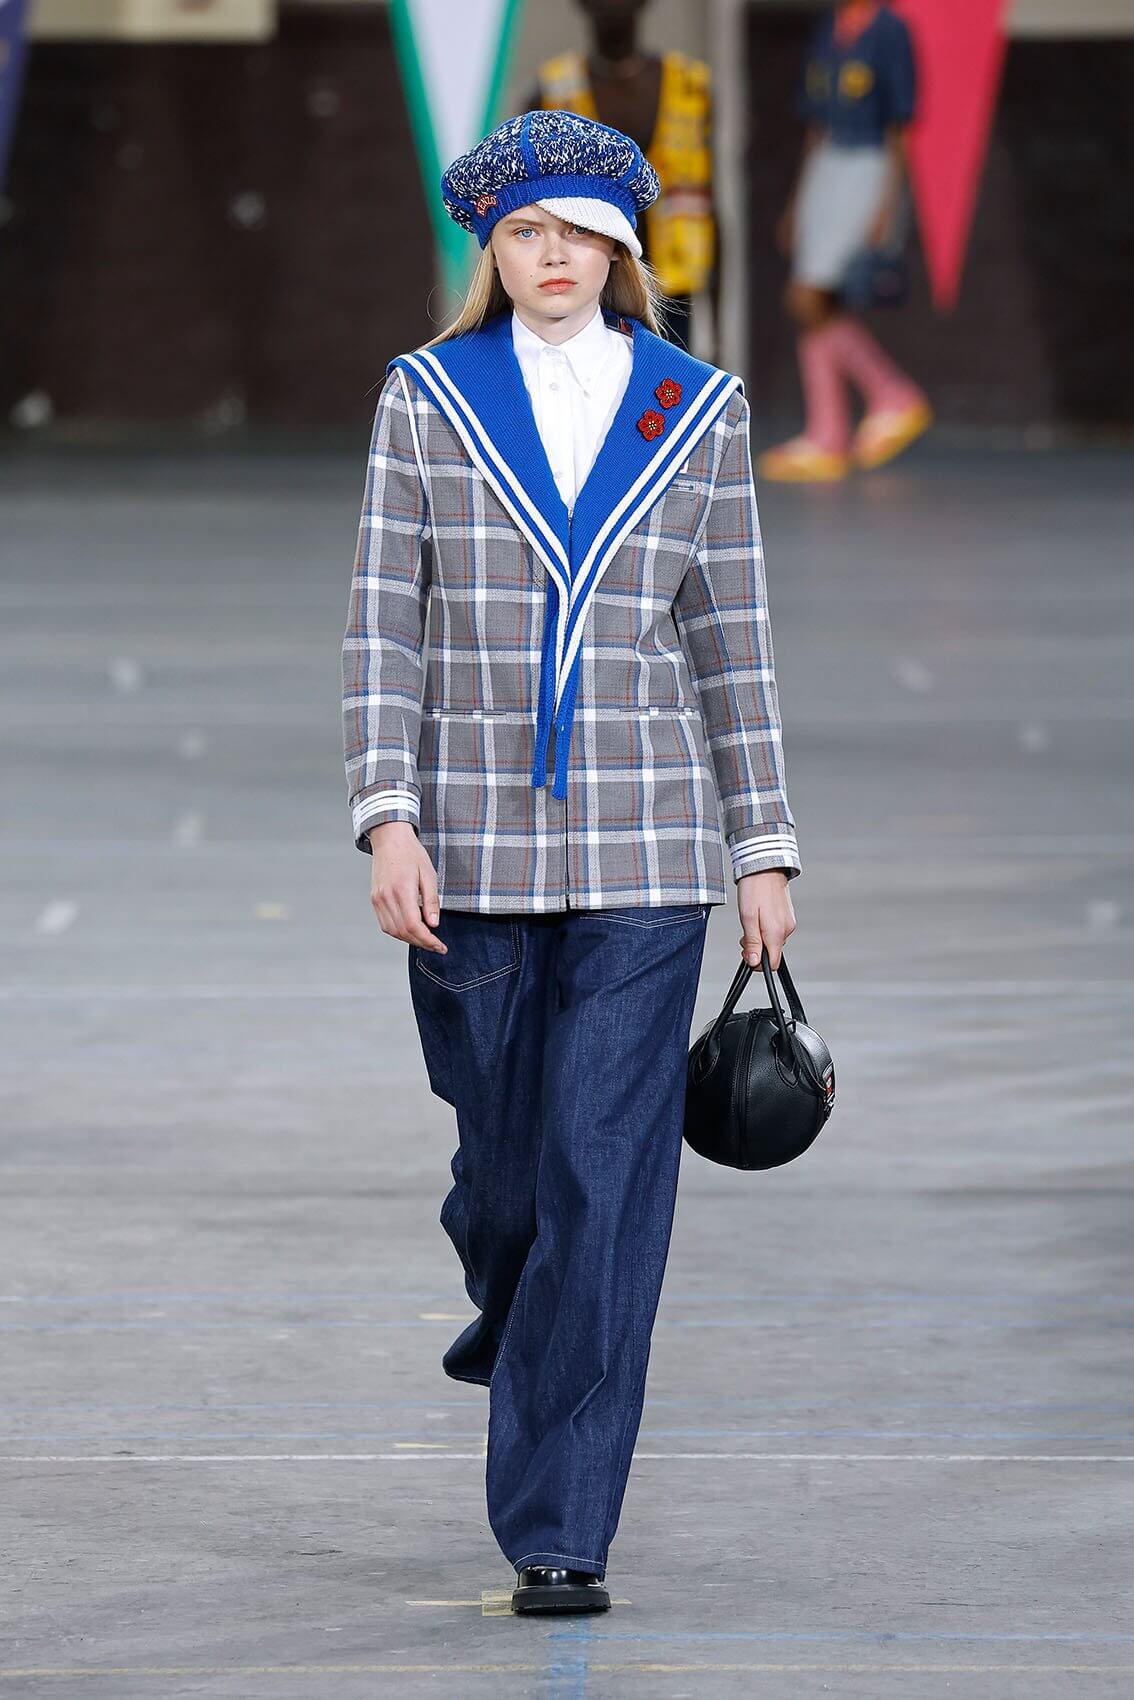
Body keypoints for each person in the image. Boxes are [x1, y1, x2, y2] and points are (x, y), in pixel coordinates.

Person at [341, 108, 800, 1614]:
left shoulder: (695, 404)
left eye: (580, 234)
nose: (553, 257)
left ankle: (561, 1525)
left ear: (621, 248)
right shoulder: (427, 396)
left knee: (605, 1184)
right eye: (525, 232)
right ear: (494, 246)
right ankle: (517, 1305)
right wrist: (385, 814)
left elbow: (729, 636)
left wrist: (761, 848)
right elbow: (383, 620)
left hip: (644, 849)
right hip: (466, 848)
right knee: (510, 1186)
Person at [759, 0, 933, 482]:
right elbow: (816, 123)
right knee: (815, 301)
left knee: (809, 295)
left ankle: (887, 394)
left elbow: (900, 125)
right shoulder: (831, 27)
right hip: (828, 163)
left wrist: (887, 204)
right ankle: (832, 430)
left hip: (868, 164)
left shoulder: (890, 30)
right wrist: (799, 199)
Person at [520, 0, 720, 359]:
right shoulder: (553, 93)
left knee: (666, 389)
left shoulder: (690, 86)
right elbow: (524, 213)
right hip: (584, 285)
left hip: (673, 287)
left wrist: (717, 325)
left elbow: (708, 205)